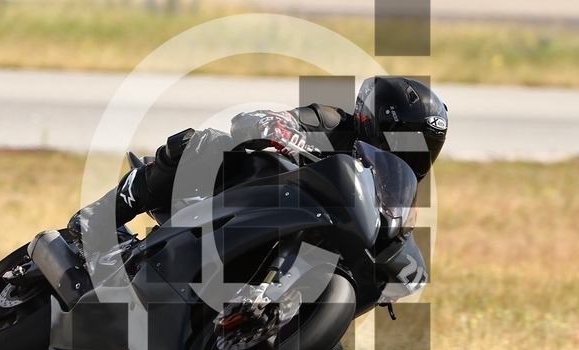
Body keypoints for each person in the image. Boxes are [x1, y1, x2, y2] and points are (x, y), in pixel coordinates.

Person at [68, 76, 448, 304]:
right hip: (250, 197)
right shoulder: (331, 123)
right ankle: (98, 220)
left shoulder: (394, 189)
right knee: (201, 142)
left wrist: (404, 273)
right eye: (408, 139)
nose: (415, 153)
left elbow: (401, 251)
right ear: (376, 121)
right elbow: (259, 120)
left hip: (307, 237)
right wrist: (276, 129)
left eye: (426, 146)